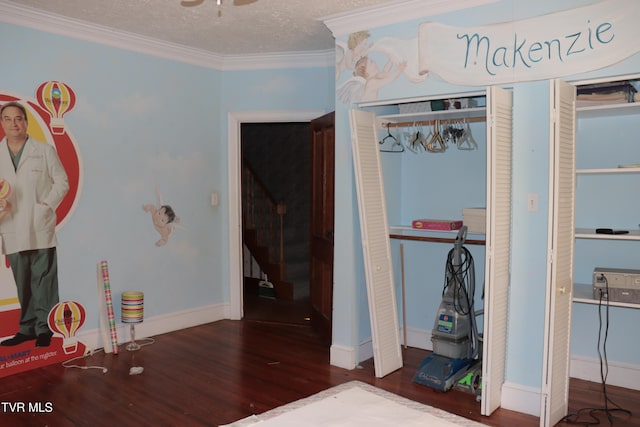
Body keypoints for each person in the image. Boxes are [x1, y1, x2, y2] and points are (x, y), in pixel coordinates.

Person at [0, 101, 69, 348]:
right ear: (2, 123)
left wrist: (46, 206)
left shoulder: (44, 150)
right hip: (10, 225)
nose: (13, 123)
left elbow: (62, 182)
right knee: (23, 279)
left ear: (26, 122)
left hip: (39, 225)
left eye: (18, 118)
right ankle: (26, 329)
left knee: (43, 279)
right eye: (7, 119)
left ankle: (45, 328)